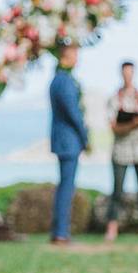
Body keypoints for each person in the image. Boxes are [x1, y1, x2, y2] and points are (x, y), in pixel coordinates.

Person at [105, 60, 138, 243]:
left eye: (131, 73)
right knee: (117, 192)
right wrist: (132, 124)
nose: (128, 76)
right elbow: (114, 127)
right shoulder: (114, 98)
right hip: (121, 151)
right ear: (121, 74)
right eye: (125, 73)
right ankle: (112, 229)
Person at [49, 44, 88, 245]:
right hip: (68, 141)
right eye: (75, 54)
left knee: (64, 186)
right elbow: (73, 113)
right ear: (67, 56)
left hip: (63, 140)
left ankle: (59, 231)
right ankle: (61, 233)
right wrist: (85, 136)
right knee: (66, 187)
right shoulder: (64, 81)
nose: (78, 59)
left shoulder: (57, 79)